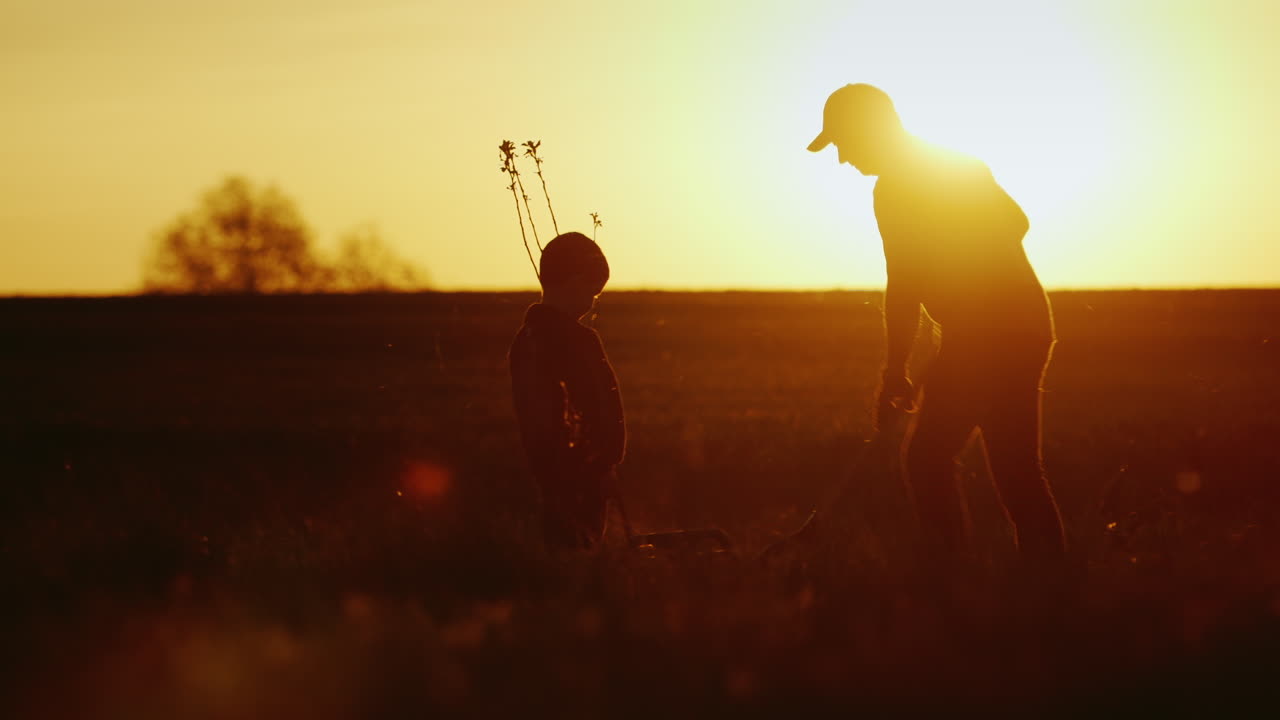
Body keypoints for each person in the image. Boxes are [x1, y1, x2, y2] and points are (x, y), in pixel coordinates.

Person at [807, 83, 1067, 567]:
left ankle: (952, 575)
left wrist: (894, 373)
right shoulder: (960, 166)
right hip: (1026, 324)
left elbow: (904, 283)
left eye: (843, 142)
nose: (842, 158)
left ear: (870, 130)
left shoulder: (896, 189)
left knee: (927, 459)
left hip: (991, 334)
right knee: (1016, 469)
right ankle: (1049, 581)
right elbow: (1018, 223)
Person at [509, 232, 625, 550]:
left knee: (564, 544)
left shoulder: (529, 339)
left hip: (555, 468)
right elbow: (586, 405)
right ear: (574, 282)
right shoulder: (572, 341)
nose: (591, 303)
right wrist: (596, 462)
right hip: (577, 471)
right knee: (577, 546)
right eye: (592, 292)